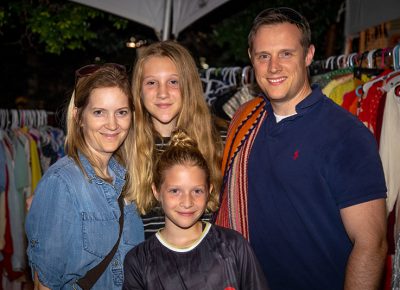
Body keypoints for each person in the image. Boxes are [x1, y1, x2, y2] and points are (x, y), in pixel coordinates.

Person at [215, 7, 388, 290]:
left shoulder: (346, 135)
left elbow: (371, 245)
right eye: (263, 56)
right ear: (251, 60)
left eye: (286, 53)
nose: (273, 67)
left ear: (308, 55)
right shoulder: (245, 121)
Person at [25, 63, 144, 289]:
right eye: (99, 112)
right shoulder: (61, 183)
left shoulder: (125, 178)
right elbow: (45, 285)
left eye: (121, 112)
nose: (112, 124)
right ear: (79, 117)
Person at [123, 130, 269, 290]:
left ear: (209, 191)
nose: (187, 202)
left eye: (197, 191)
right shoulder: (139, 261)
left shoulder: (233, 246)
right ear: (156, 191)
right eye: (175, 191)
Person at [126, 40, 223, 238]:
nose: (163, 93)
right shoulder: (123, 148)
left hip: (207, 264)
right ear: (139, 90)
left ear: (188, 86)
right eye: (152, 83)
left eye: (173, 82)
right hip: (143, 265)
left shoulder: (220, 143)